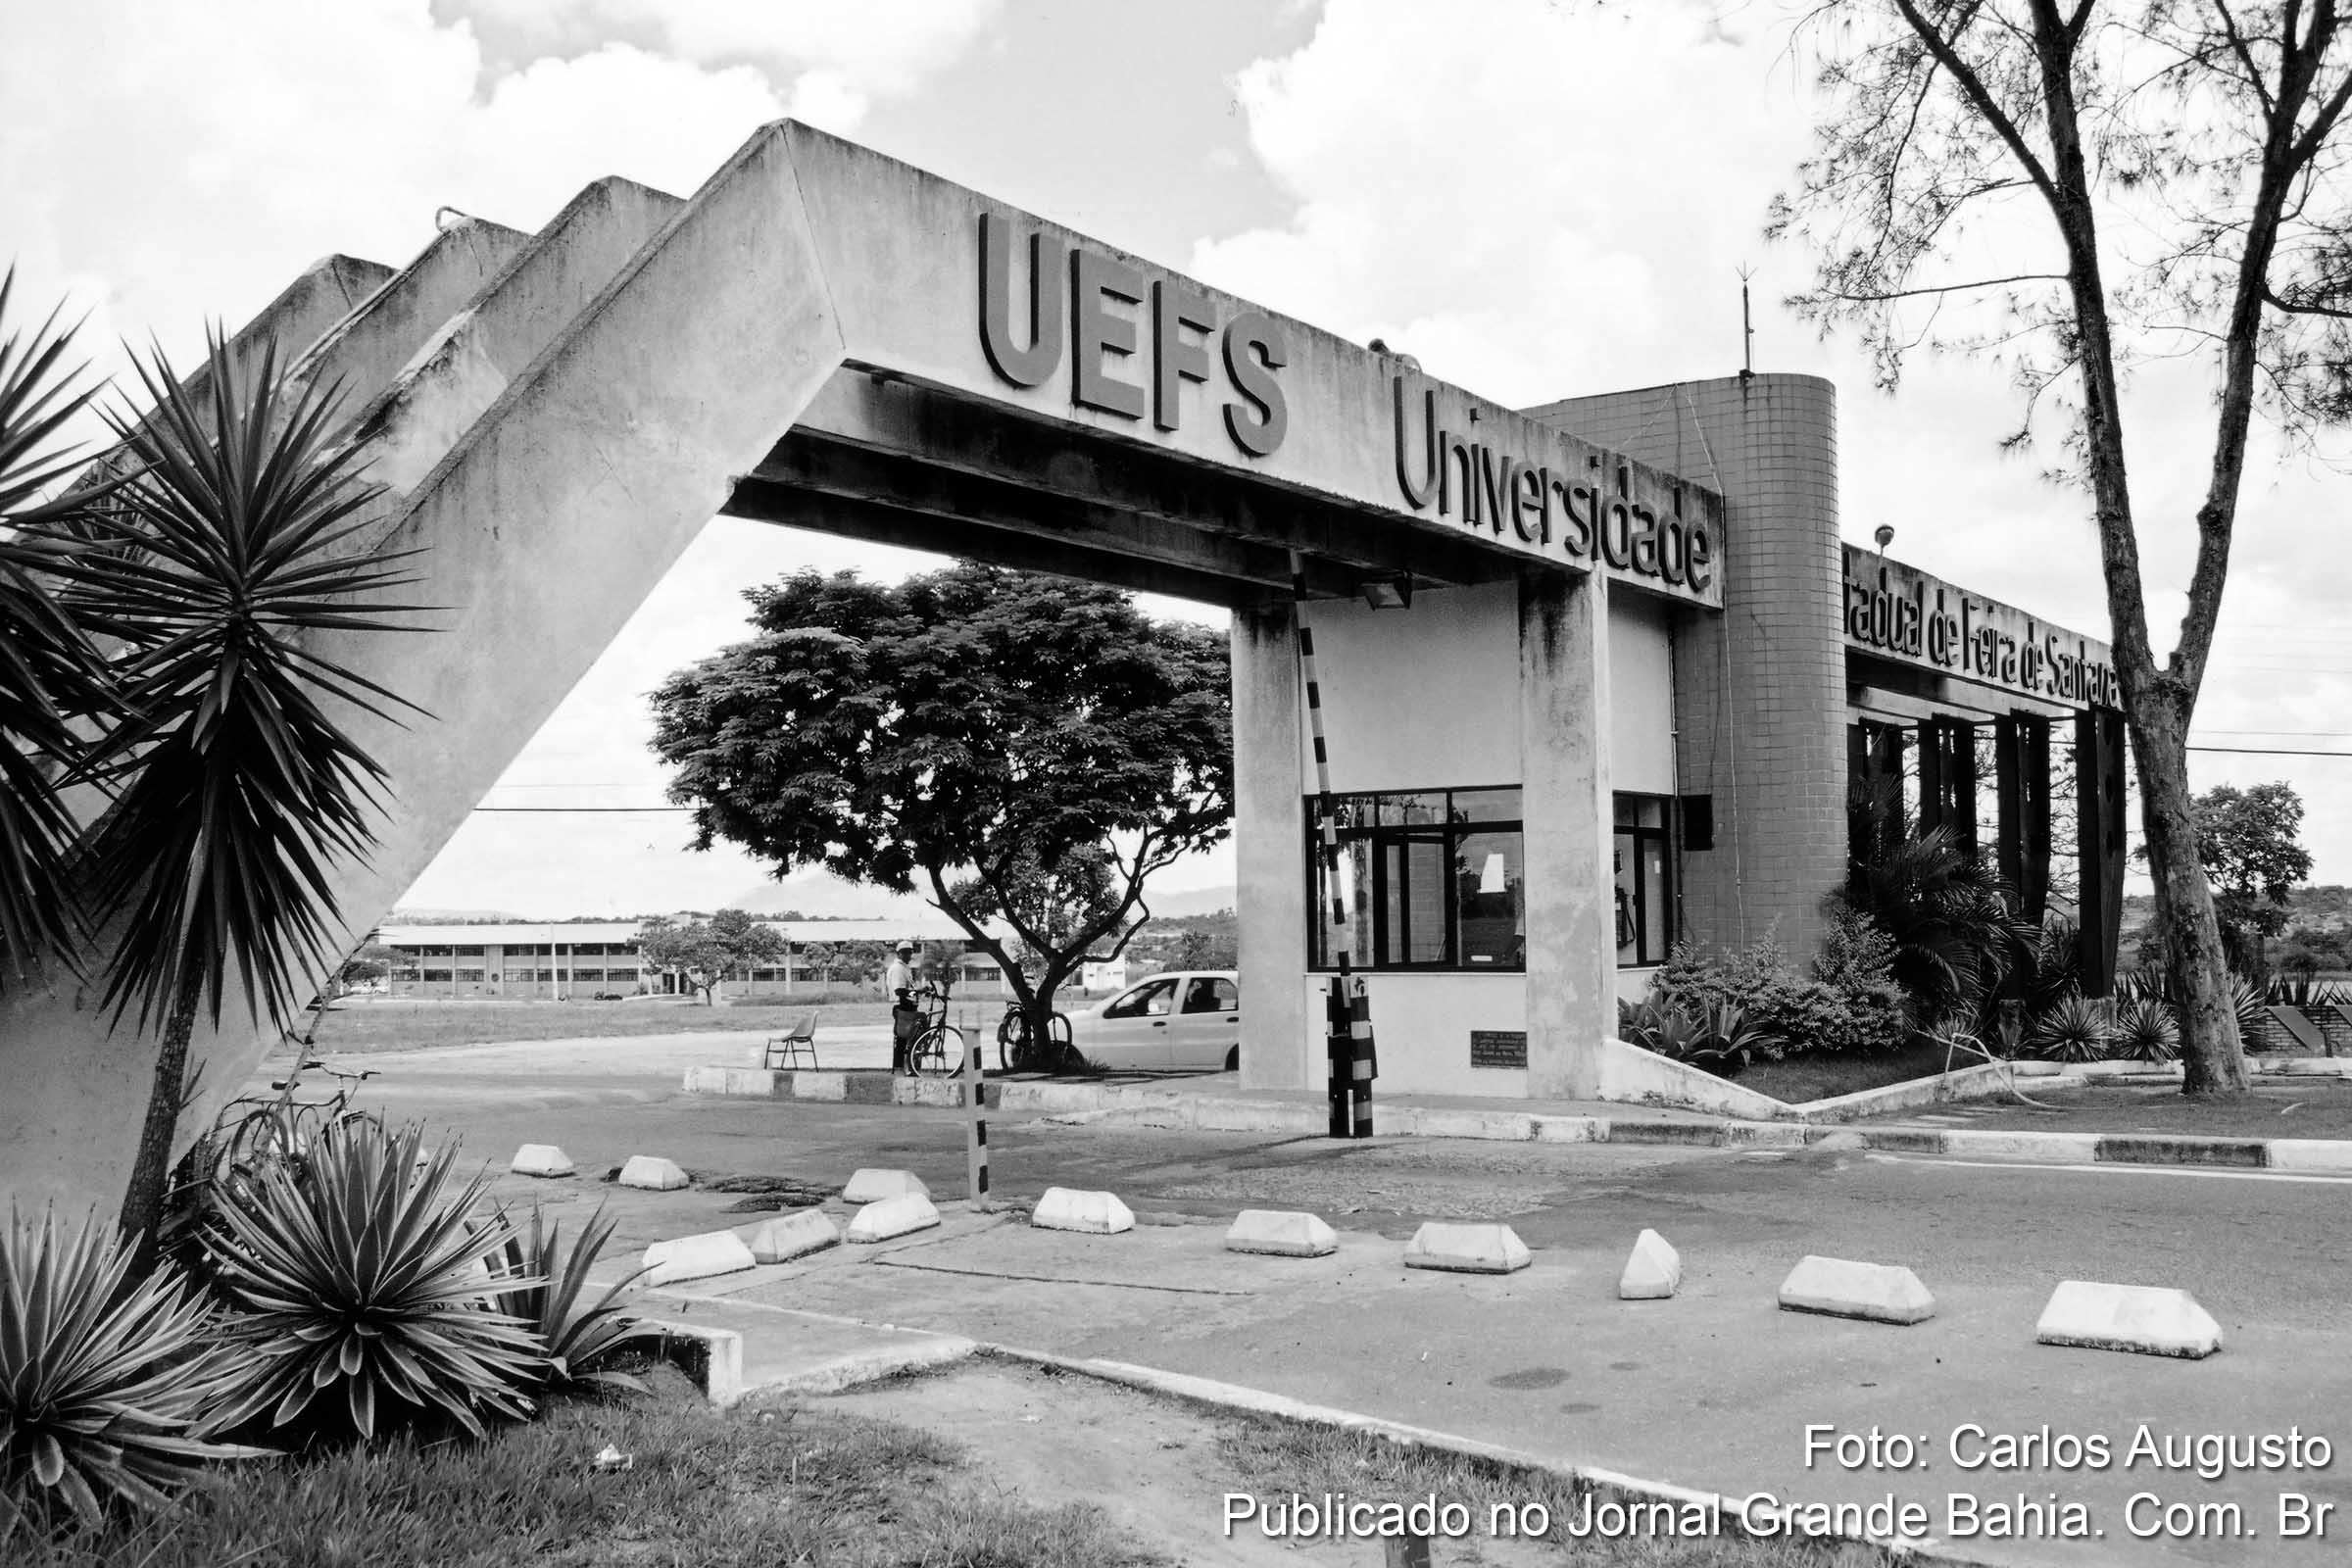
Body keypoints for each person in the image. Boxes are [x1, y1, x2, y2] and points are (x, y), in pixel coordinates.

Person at [886, 940, 919, 1075]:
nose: (908, 955)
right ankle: (900, 1067)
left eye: (910, 952)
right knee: (902, 1039)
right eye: (905, 952)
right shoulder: (898, 968)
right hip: (902, 1005)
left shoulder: (904, 967)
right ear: (898, 953)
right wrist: (917, 992)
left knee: (908, 1038)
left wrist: (917, 992)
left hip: (907, 1005)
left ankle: (908, 1067)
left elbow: (908, 990)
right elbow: (900, 991)